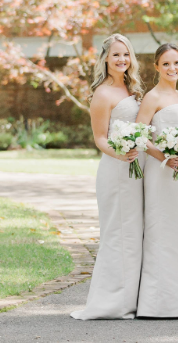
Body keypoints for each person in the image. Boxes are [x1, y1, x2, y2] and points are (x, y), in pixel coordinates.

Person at [71, 34, 144, 320]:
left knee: (135, 232)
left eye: (125, 54)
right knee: (118, 233)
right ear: (105, 58)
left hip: (137, 169)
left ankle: (132, 296)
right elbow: (100, 138)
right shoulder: (102, 93)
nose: (121, 60)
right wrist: (121, 153)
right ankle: (111, 301)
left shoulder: (132, 88)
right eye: (115, 55)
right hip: (116, 170)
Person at [135, 43, 178, 318]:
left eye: (177, 63)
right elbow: (140, 136)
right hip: (161, 171)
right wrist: (164, 156)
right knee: (161, 228)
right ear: (156, 67)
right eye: (166, 64)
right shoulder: (152, 96)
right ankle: (156, 303)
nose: (172, 68)